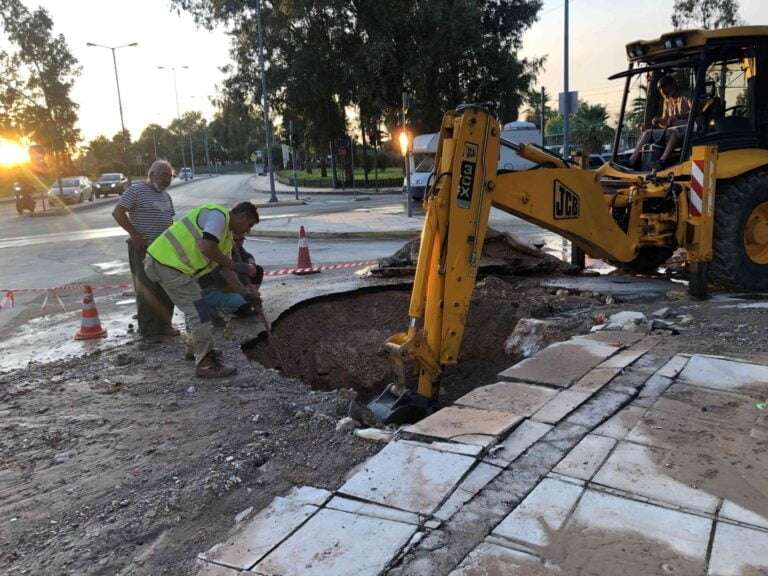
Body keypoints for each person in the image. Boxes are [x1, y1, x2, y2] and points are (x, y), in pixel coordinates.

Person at [144, 201, 261, 378]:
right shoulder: (218, 216)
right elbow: (206, 247)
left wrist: (245, 294)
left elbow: (226, 269)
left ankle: (195, 348)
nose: (248, 230)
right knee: (200, 313)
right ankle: (205, 364)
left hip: (173, 267)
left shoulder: (225, 236)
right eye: (249, 225)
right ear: (243, 216)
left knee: (196, 310)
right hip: (167, 265)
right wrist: (239, 266)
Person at [112, 160, 178, 338]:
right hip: (144, 249)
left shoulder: (166, 196)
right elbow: (118, 212)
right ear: (152, 175)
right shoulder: (136, 190)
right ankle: (149, 331)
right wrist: (134, 234)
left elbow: (169, 221)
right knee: (147, 290)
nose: (167, 180)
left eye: (170, 176)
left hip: (165, 251)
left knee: (166, 288)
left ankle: (165, 326)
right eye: (164, 175)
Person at [630, 75, 692, 169]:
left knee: (675, 132)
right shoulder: (667, 101)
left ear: (673, 84)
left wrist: (679, 116)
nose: (663, 91)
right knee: (647, 133)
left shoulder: (686, 96)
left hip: (688, 128)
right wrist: (658, 120)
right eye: (660, 89)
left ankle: (662, 161)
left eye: (664, 87)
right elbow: (666, 122)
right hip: (671, 130)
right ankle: (632, 160)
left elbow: (695, 112)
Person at [199, 232, 264, 318]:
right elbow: (226, 281)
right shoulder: (220, 252)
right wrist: (245, 293)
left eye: (242, 239)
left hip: (231, 285)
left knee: (257, 270)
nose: (240, 243)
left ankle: (246, 299)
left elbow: (247, 256)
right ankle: (223, 309)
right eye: (236, 240)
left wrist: (251, 265)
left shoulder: (236, 248)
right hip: (214, 289)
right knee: (242, 303)